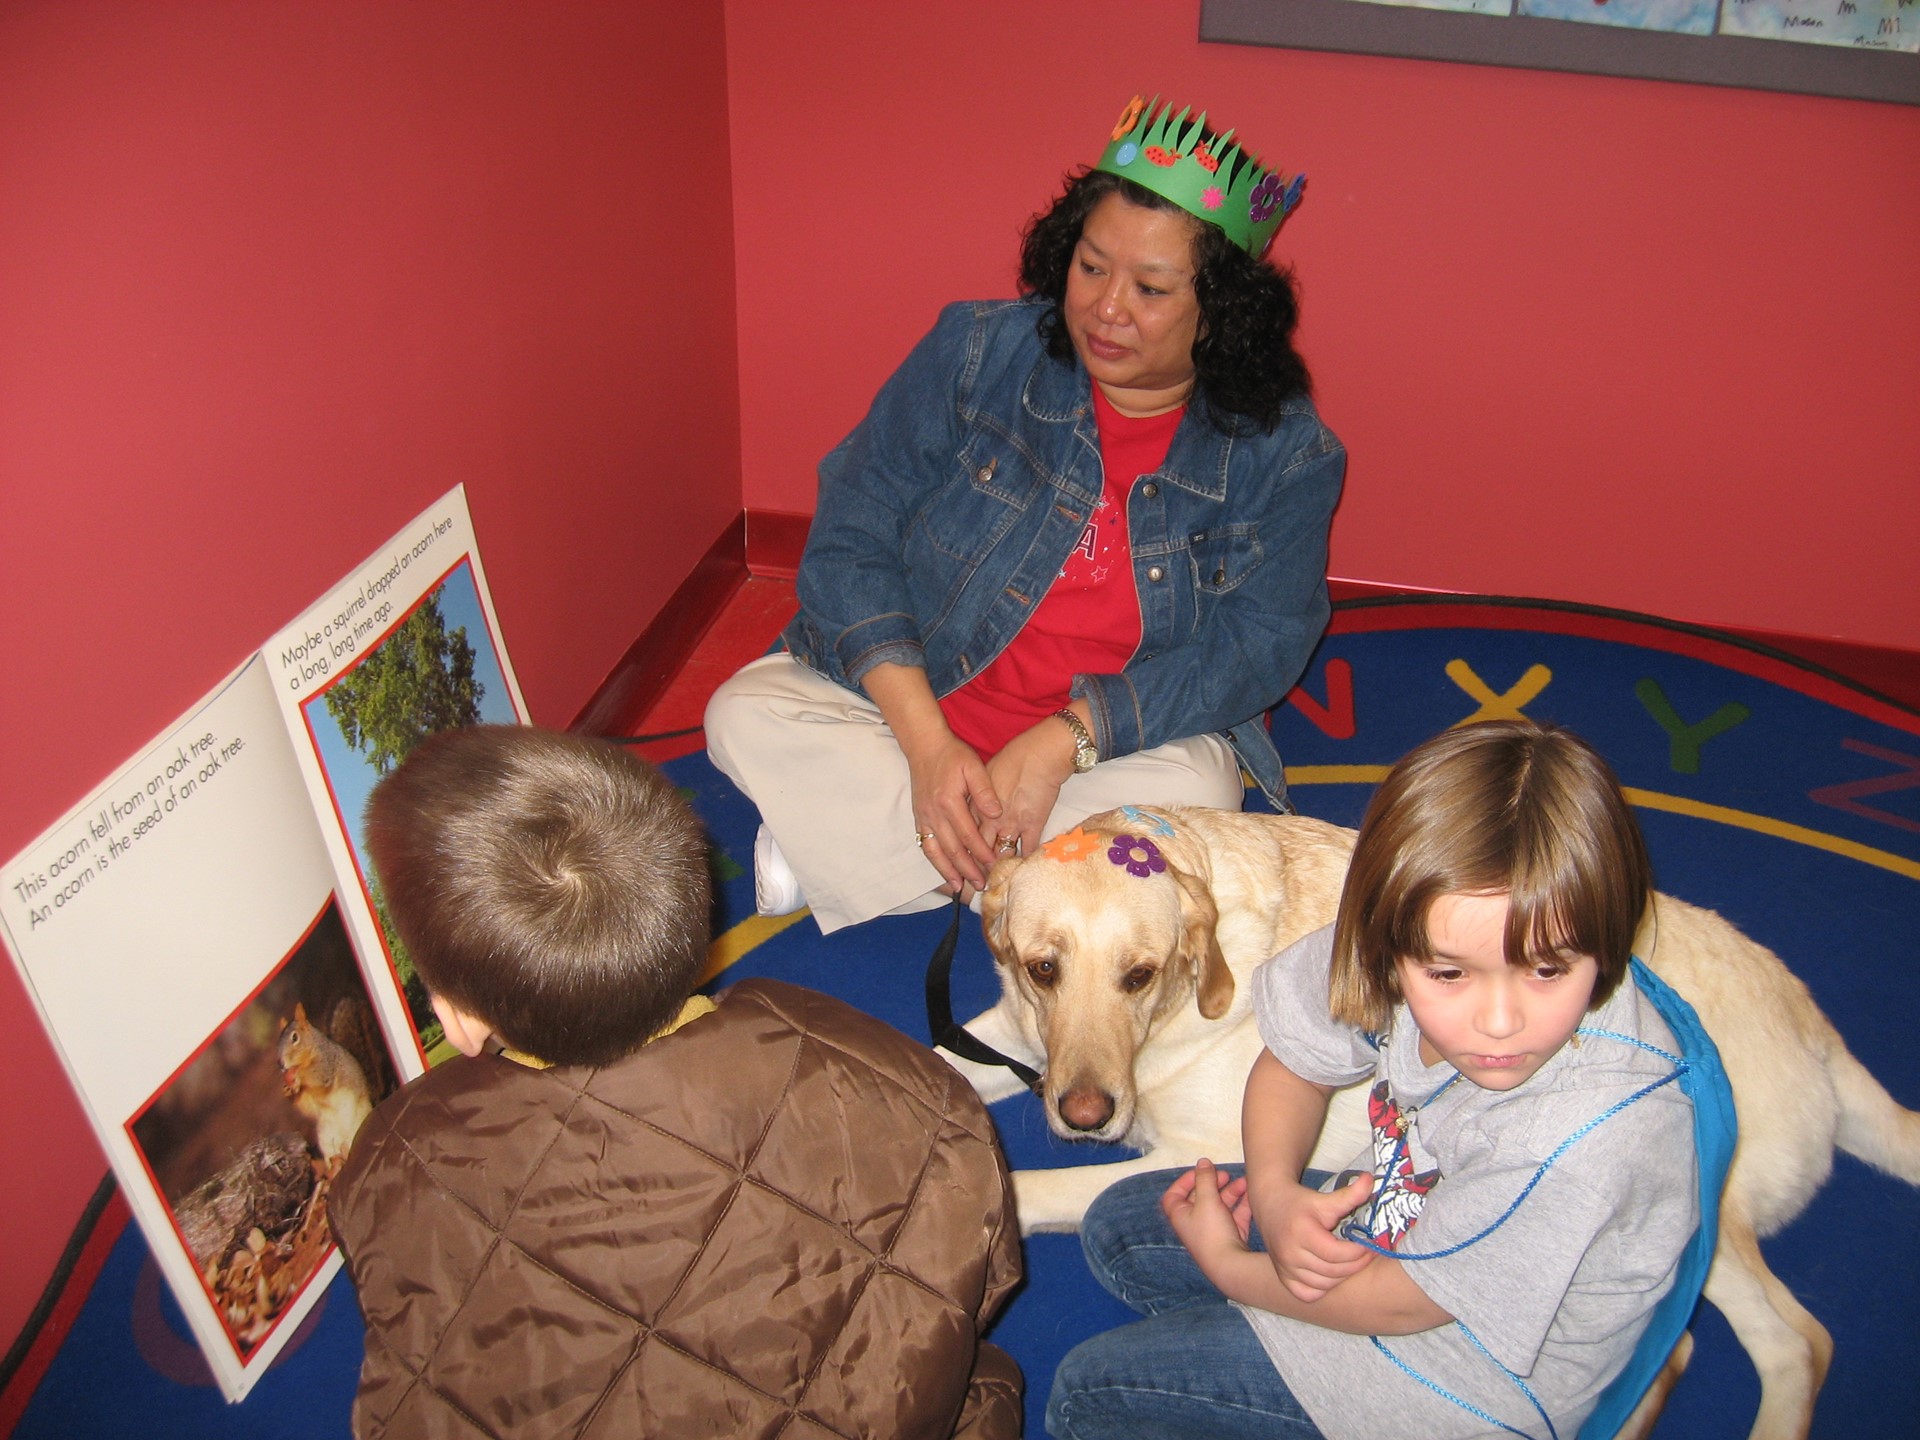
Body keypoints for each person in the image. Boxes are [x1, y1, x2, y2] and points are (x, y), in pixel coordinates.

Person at [705, 94, 1346, 932]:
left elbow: (1256, 649)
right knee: (743, 713)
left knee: (1202, 796)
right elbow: (852, 533)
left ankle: (866, 855)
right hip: (918, 705)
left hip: (1107, 747)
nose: (1106, 309)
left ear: (1220, 315)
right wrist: (931, 749)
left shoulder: (1287, 453)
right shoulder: (975, 350)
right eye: (1090, 267)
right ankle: (1029, 882)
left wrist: (1062, 744)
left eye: (1151, 288)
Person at [330, 725, 1023, 1439]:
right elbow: (985, 1270)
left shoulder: (400, 1168)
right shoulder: (896, 1078)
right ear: (693, 913)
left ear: (463, 1022)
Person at [1048, 720, 1707, 1440]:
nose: (1497, 1020)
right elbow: (1294, 1060)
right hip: (1392, 1224)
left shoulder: (1576, 1138)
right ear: (1388, 938)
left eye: (1548, 971)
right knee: (1119, 1231)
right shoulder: (1403, 932)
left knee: (1087, 1392)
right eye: (1449, 974)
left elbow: (1399, 1306)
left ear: (1606, 947)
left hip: (1459, 1381)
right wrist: (1275, 1196)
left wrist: (1233, 1266)